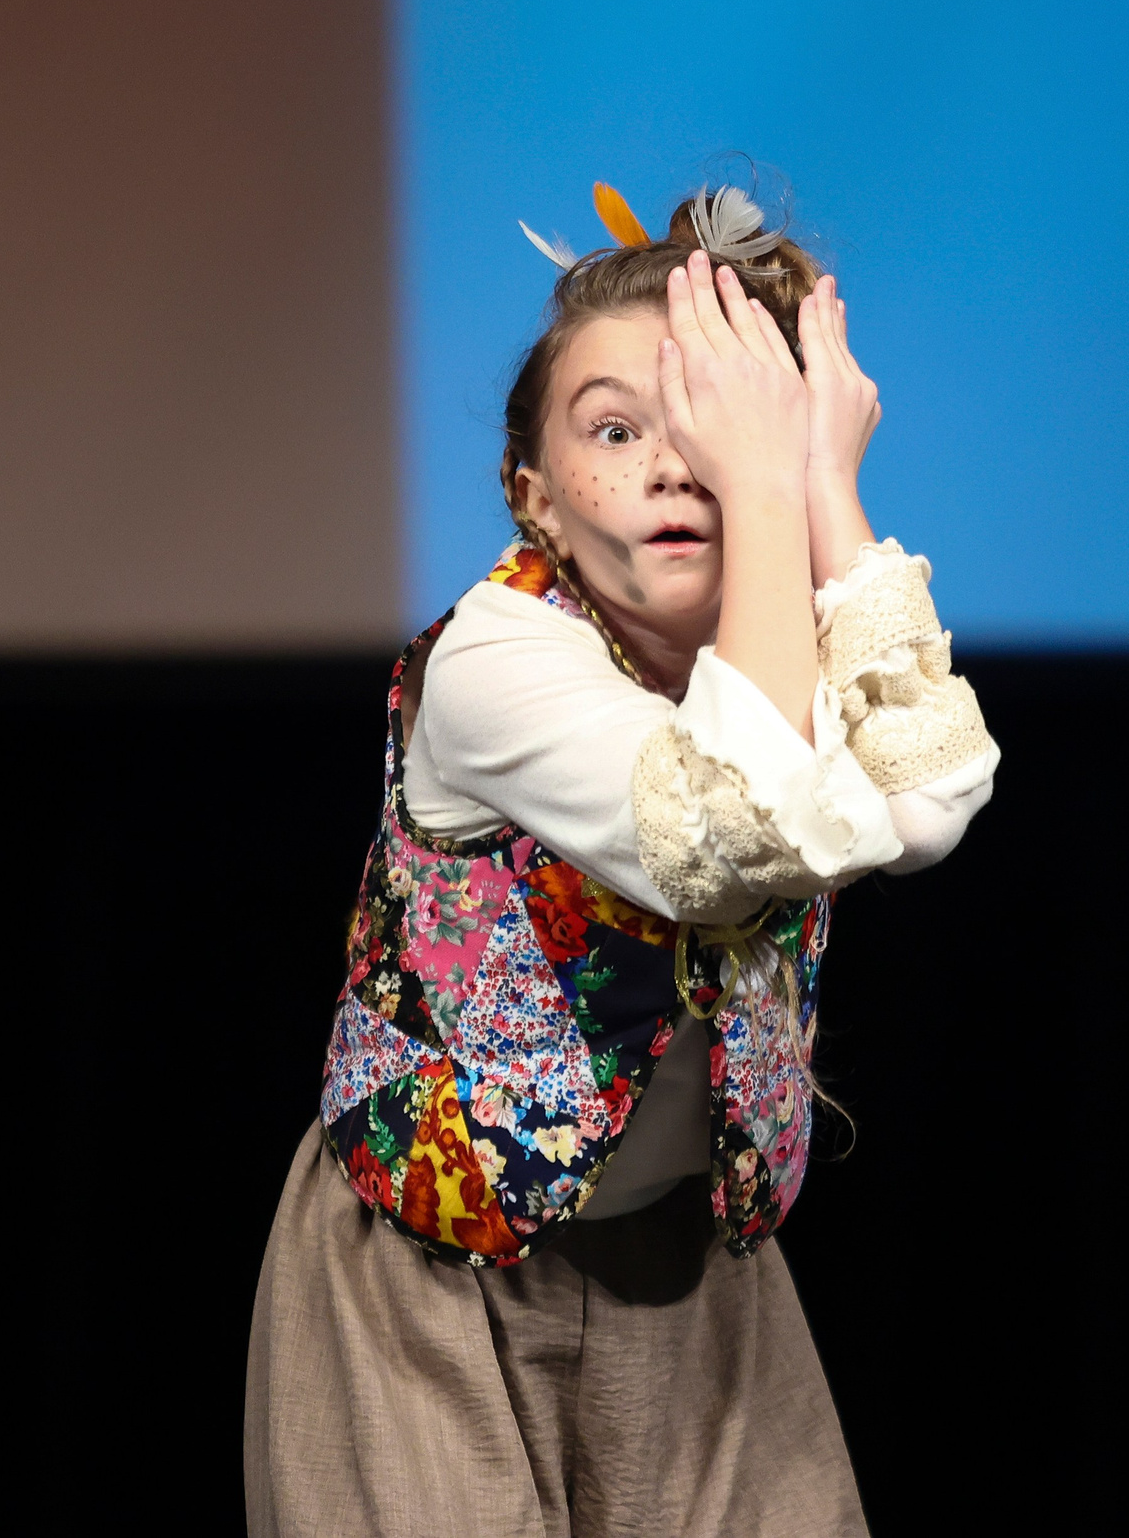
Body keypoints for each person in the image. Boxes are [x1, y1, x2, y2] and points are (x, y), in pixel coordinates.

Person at [245, 176, 998, 1538]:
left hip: (688, 1270)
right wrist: (767, 484)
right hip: (437, 1265)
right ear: (532, 493)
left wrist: (822, 481)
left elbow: (933, 798)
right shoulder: (497, 657)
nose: (669, 465)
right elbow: (731, 841)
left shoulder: (786, 642)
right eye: (613, 428)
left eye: (707, 426)